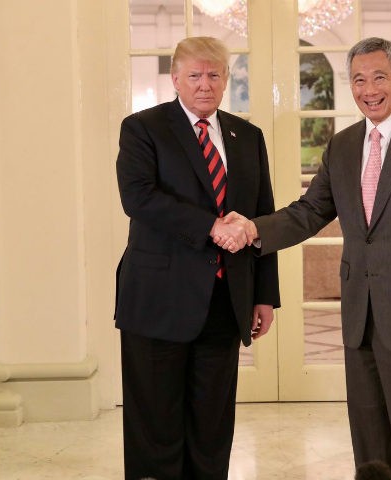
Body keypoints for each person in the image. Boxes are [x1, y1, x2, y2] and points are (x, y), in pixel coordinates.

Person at [219, 37, 391, 479]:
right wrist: (254, 229)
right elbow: (310, 211)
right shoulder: (343, 145)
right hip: (359, 312)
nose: (368, 89)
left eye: (379, 77)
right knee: (369, 435)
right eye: (358, 79)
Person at [114, 36, 280, 480]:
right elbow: (138, 198)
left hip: (225, 301)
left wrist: (265, 295)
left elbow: (262, 217)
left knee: (212, 424)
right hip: (157, 300)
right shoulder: (142, 128)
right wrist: (211, 226)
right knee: (156, 425)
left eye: (214, 75)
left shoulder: (249, 136)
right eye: (195, 75)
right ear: (175, 79)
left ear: (226, 79)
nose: (204, 85)